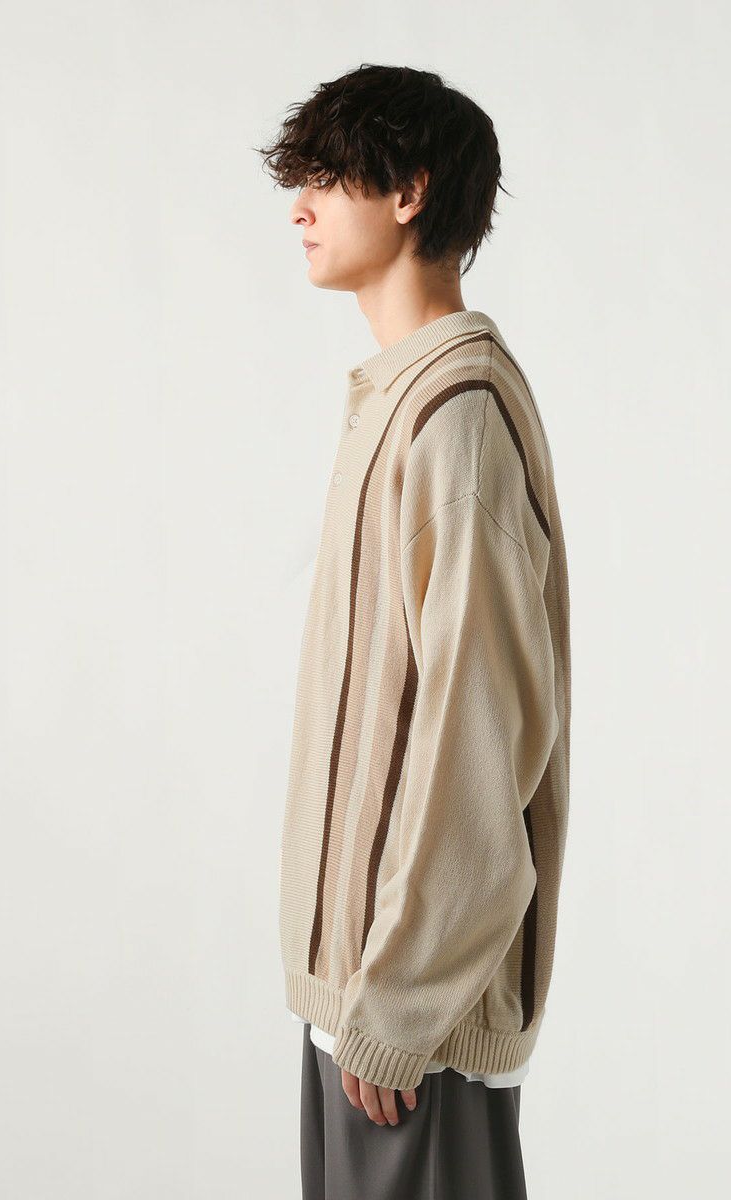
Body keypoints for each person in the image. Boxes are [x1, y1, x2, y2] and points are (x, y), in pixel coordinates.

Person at [256, 63, 571, 1199]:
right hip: (368, 1004)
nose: (298, 207)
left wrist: (399, 1005)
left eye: (325, 177)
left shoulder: (456, 419)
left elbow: (483, 738)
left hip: (412, 1027)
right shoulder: (401, 397)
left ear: (409, 192)